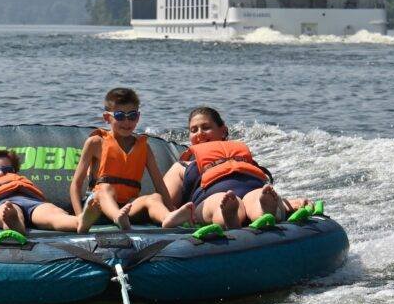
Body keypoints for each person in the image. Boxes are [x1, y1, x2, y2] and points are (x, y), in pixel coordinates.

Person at [163, 106, 310, 229]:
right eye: (193, 130)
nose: (199, 133)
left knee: (259, 196)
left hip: (252, 188)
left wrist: (288, 202)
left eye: (206, 127)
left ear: (223, 130)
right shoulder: (182, 166)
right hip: (214, 194)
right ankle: (233, 217)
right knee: (221, 201)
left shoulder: (239, 156)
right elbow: (166, 205)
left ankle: (263, 212)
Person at [70, 87, 194, 231]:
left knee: (153, 198)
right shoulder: (96, 142)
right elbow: (76, 184)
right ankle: (117, 217)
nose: (127, 122)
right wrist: (79, 216)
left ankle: (167, 218)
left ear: (138, 117)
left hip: (128, 207)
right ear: (107, 118)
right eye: (120, 116)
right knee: (104, 190)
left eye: (132, 116)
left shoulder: (144, 148)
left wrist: (171, 208)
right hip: (96, 210)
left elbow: (159, 185)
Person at [0, 149, 102, 234]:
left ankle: (79, 221)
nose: (0, 174)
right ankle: (14, 224)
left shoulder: (21, 184)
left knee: (52, 213)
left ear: (16, 174)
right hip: (2, 203)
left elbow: (42, 205)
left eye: (7, 170)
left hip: (33, 203)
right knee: (8, 210)